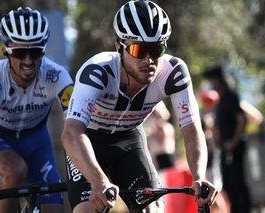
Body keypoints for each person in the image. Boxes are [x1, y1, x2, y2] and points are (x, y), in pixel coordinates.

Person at [60, 1, 218, 212]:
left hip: (128, 141)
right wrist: (98, 181)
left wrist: (199, 176)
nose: (149, 59)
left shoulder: (174, 72)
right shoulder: (98, 71)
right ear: (119, 47)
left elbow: (191, 129)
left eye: (156, 49)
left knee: (151, 209)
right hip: (88, 140)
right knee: (88, 210)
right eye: (138, 49)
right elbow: (71, 133)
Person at [0, 7, 73, 213]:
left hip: (37, 143)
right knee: (14, 171)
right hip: (0, 140)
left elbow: (78, 128)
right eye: (19, 53)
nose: (28, 60)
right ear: (5, 52)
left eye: (35, 52)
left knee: (54, 208)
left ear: (43, 50)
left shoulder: (57, 76)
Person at [203, 64, 251, 213]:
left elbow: (241, 120)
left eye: (212, 79)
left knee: (238, 182)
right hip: (224, 148)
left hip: (234, 148)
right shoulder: (220, 99)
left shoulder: (231, 97)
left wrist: (233, 141)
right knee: (228, 184)